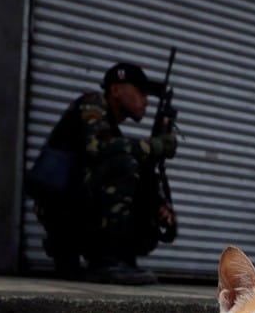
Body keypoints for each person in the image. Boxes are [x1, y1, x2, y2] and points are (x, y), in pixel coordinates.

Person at [25, 61, 178, 285]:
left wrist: (159, 206)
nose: (145, 101)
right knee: (124, 164)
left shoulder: (112, 130)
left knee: (142, 176)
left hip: (75, 206)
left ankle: (121, 258)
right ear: (115, 90)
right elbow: (97, 146)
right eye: (140, 93)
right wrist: (154, 145)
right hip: (60, 208)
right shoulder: (92, 104)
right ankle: (105, 261)